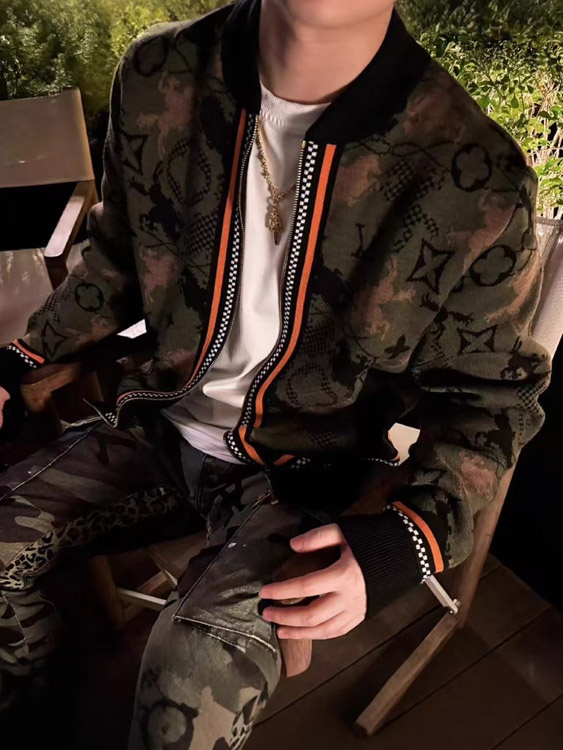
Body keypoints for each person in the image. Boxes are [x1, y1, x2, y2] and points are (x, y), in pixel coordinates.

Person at [0, 0, 551, 747]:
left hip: (306, 477)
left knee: (189, 679)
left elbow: (490, 401)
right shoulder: (159, 73)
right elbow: (117, 259)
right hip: (158, 425)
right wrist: (20, 359)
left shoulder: (474, 181)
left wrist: (408, 537)